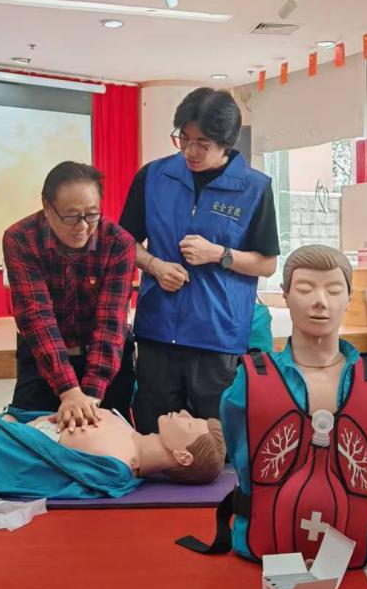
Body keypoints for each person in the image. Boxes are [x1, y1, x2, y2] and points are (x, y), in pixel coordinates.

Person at [181, 244, 367, 568]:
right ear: (285, 295)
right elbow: (239, 451)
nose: (320, 301)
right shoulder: (249, 381)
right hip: (262, 543)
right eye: (305, 289)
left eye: (334, 290)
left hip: (357, 544)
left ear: (349, 297)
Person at [119, 88, 279, 433]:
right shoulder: (153, 177)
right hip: (158, 329)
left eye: (202, 143)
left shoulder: (254, 188)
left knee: (213, 440)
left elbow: (267, 263)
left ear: (226, 142)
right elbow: (124, 243)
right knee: (153, 435)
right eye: (184, 138)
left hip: (217, 335)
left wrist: (219, 254)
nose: (190, 151)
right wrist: (154, 265)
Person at [2, 161, 137, 433]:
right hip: (44, 359)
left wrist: (89, 398)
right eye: (71, 216)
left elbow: (111, 323)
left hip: (104, 362)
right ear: (47, 207)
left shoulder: (118, 243)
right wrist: (69, 391)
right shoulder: (21, 238)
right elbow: (37, 317)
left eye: (92, 214)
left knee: (111, 440)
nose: (83, 226)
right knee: (26, 437)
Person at [0, 407, 226, 500]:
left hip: (2, 437)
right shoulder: (127, 432)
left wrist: (7, 426)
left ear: (183, 456)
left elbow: (33, 460)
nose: (183, 413)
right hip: (12, 427)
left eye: (189, 423)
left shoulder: (115, 467)